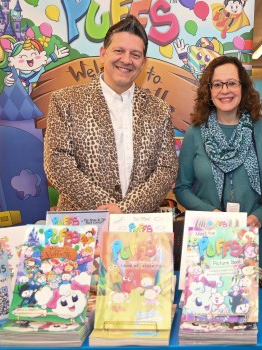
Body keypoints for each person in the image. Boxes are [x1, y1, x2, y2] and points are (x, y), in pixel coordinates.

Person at [44, 15, 177, 214]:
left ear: (143, 62)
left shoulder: (159, 109)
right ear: (103, 53)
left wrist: (125, 210)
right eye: (119, 51)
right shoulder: (65, 102)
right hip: (83, 227)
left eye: (135, 54)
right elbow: (57, 164)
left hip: (138, 229)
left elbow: (166, 169)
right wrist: (105, 209)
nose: (126, 60)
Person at [174, 56, 262, 261]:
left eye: (231, 83)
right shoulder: (195, 134)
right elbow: (181, 189)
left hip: (257, 234)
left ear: (243, 87)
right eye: (218, 84)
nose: (225, 90)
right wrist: (212, 214)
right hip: (210, 238)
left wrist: (261, 214)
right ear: (209, 90)